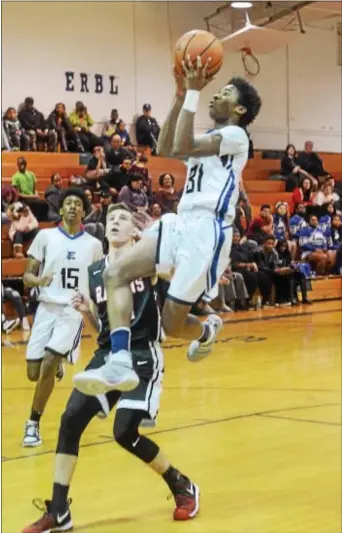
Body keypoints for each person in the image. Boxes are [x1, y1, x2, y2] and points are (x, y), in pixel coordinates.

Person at [73, 59, 261, 395]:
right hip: (180, 221)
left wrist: (192, 92)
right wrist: (179, 96)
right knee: (115, 274)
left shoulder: (236, 136)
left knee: (173, 324)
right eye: (215, 91)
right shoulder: (212, 138)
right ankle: (119, 361)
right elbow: (166, 148)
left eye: (225, 93)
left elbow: (184, 145)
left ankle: (206, 332)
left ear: (240, 108)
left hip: (207, 232)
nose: (215, 95)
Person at [21, 203, 199, 533]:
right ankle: (59, 511)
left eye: (122, 219)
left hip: (142, 353)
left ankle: (181, 484)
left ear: (136, 232)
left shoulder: (149, 263)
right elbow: (97, 330)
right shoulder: (94, 272)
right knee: (71, 419)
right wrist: (86, 312)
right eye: (110, 219)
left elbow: (178, 274)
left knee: (124, 432)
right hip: (107, 355)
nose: (115, 223)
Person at [21, 188, 103, 447]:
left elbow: (98, 283)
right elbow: (27, 276)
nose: (72, 207)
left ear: (84, 211)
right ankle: (58, 361)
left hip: (72, 310)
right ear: (61, 209)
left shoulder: (94, 245)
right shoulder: (45, 237)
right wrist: (39, 279)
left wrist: (94, 314)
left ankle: (33, 423)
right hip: (46, 308)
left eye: (77, 204)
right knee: (33, 373)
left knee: (47, 362)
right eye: (68, 203)